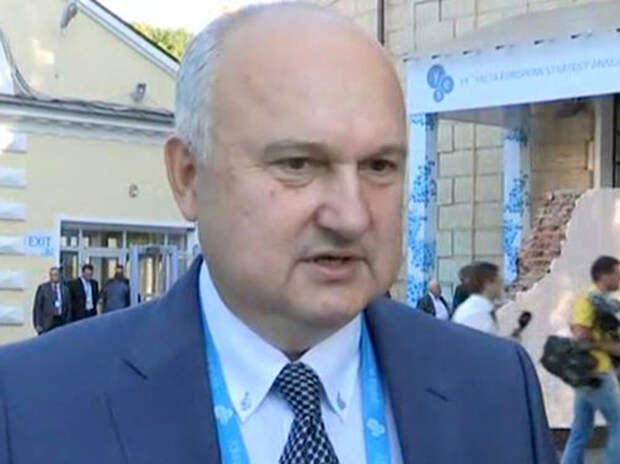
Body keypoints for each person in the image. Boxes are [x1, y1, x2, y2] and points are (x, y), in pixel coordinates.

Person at [0, 4, 557, 463]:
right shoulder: (32, 405)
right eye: (298, 164)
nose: (351, 216)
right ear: (188, 177)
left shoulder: (495, 388)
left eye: (379, 166)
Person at [562, 256, 620, 464]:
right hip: (597, 371)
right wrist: (610, 347)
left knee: (581, 429)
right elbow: (580, 334)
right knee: (618, 423)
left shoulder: (601, 302)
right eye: (617, 274)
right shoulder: (589, 299)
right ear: (603, 275)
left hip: (586, 373)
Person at [452, 262, 501, 335]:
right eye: (499, 282)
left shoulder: (482, 309)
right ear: (487, 284)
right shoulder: (475, 314)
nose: (501, 286)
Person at [32, 266, 71, 335]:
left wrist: (68, 322)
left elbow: (68, 307)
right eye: (52, 275)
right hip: (47, 322)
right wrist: (37, 324)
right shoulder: (43, 288)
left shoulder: (65, 289)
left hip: (61, 321)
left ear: (59, 275)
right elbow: (38, 307)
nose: (54, 277)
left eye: (56, 275)